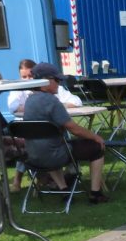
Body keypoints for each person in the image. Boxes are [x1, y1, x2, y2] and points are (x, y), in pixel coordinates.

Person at [22, 63, 110, 204]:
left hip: (33, 157)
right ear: (46, 81)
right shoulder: (51, 101)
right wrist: (96, 137)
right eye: (57, 80)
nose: (59, 83)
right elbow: (73, 128)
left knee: (50, 144)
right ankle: (95, 193)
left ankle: (64, 190)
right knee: (95, 147)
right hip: (55, 156)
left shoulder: (29, 101)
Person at [7, 58, 81, 114]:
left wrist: (59, 106)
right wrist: (45, 108)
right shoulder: (17, 90)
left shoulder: (54, 87)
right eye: (24, 77)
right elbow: (13, 107)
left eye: (30, 76)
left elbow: (77, 101)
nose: (28, 80)